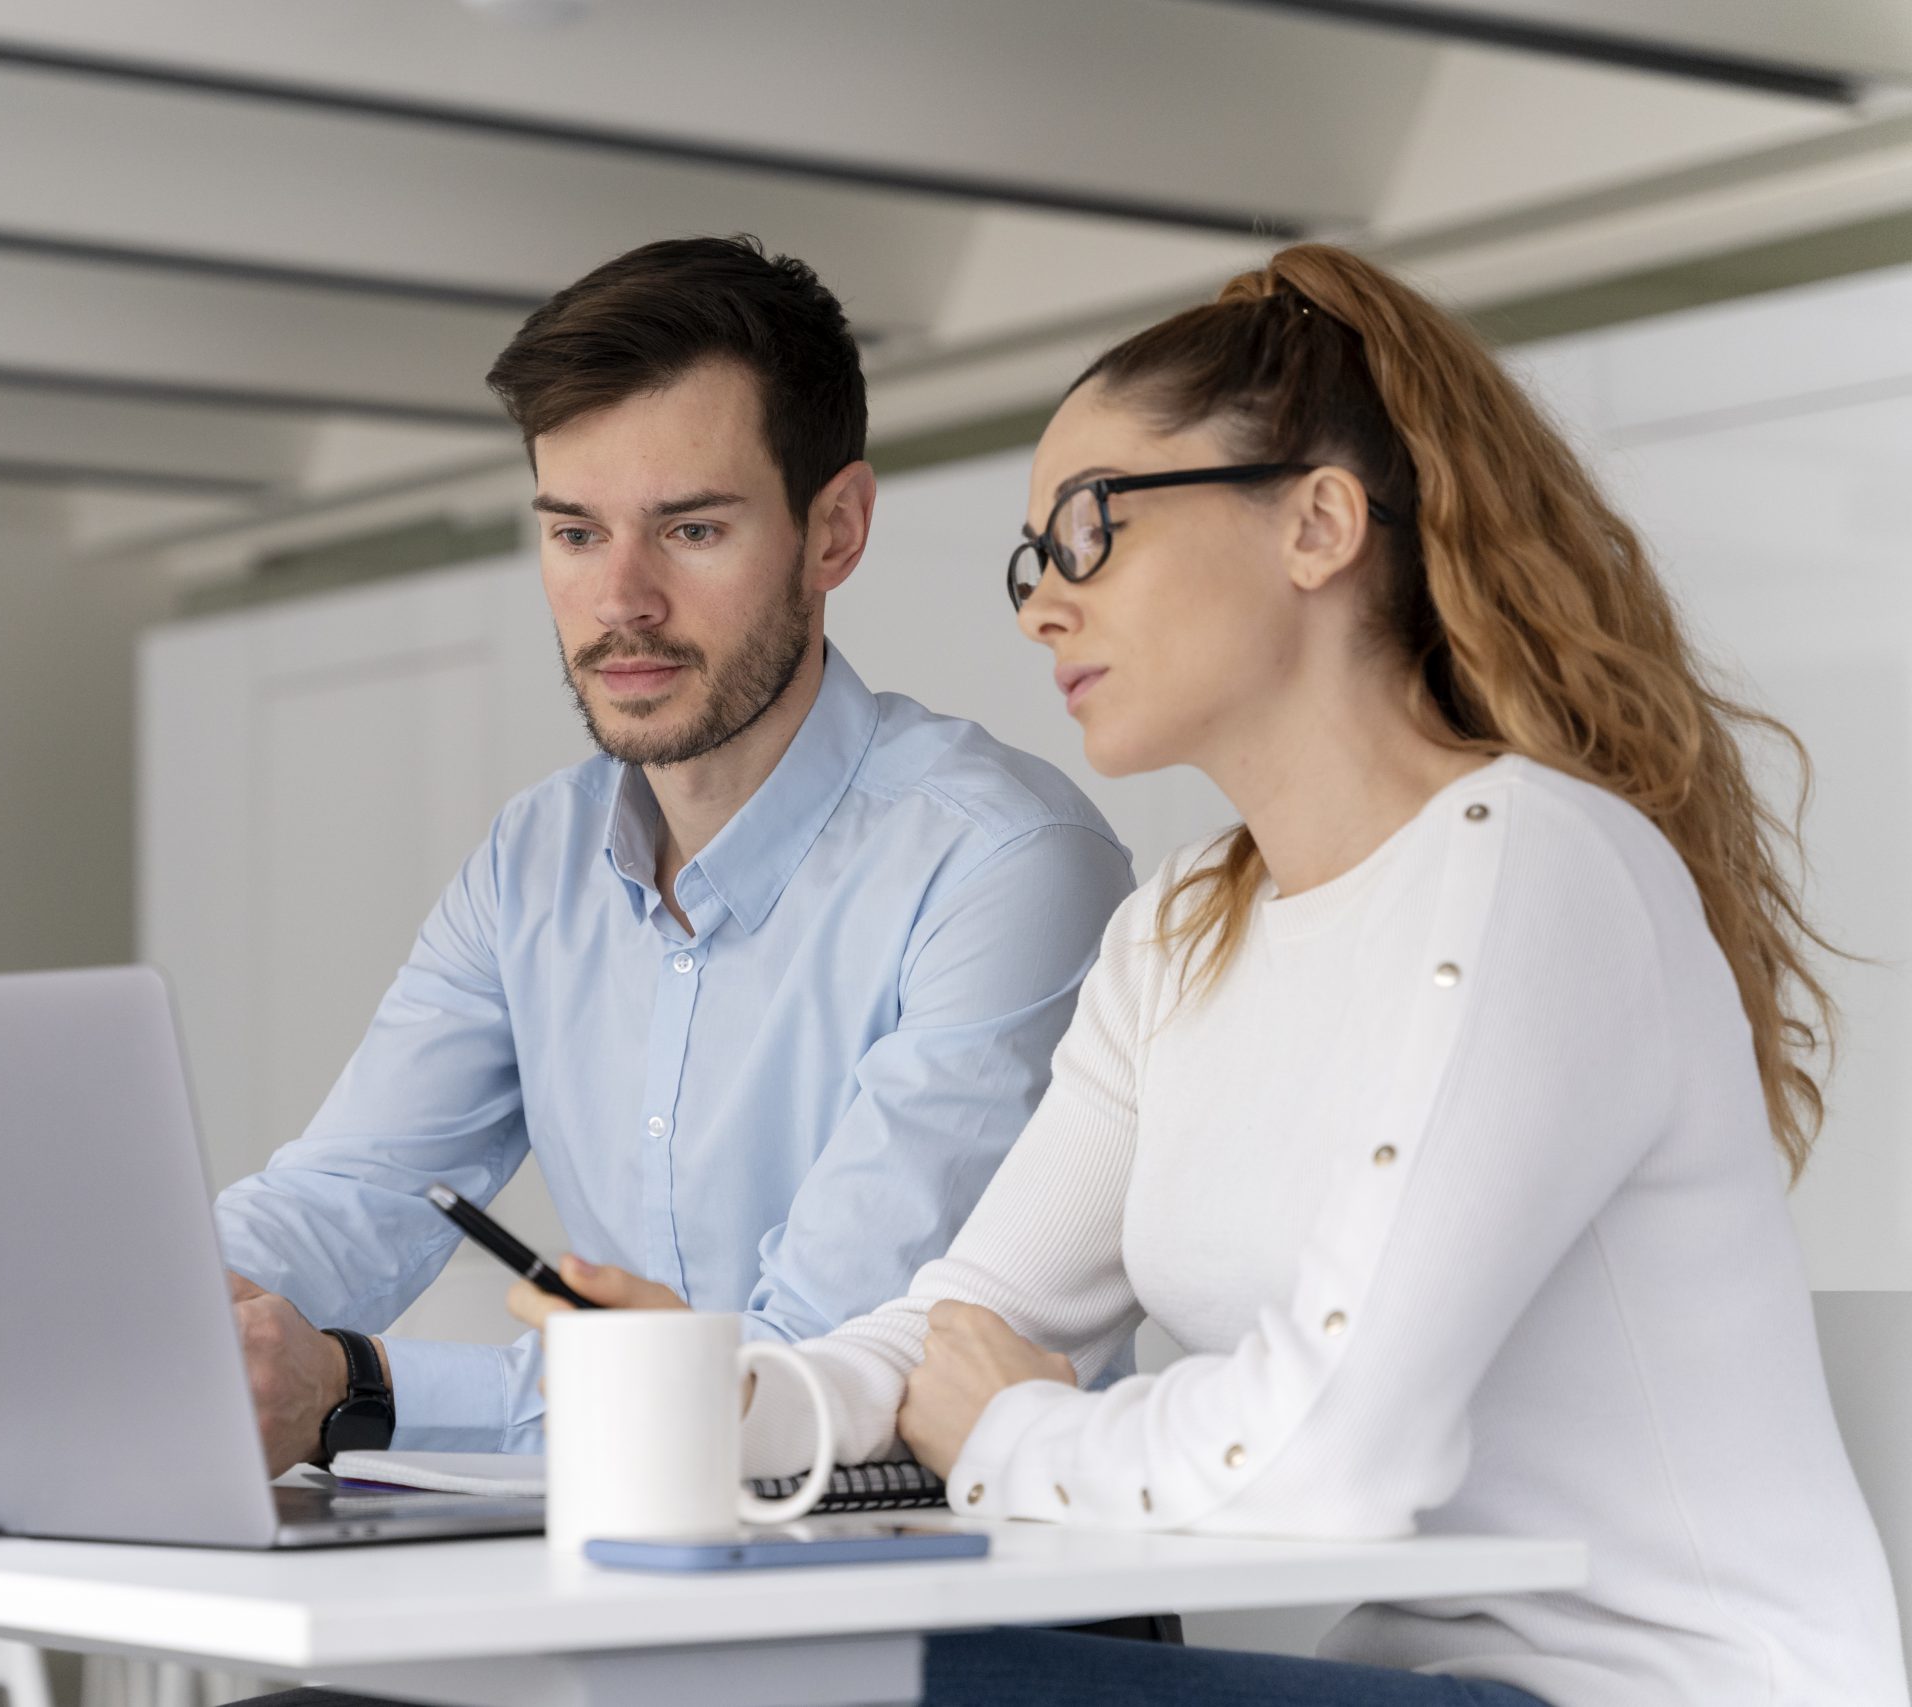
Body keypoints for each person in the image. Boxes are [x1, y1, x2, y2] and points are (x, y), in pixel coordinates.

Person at [703, 242, 1909, 1705]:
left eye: (1089, 529)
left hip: (1660, 1690)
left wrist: (1021, 1435)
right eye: (1033, 560)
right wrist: (711, 1403)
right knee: (758, 1658)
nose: (1043, 605)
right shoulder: (1179, 933)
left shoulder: (1540, 865)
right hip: (1414, 1679)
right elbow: (962, 1323)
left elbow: (1340, 1451)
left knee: (824, 1678)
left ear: (1320, 523)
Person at [210, 235, 1135, 1474]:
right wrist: (144, 1310)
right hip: (654, 1585)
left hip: (951, 1612)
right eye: (576, 534)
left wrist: (358, 1390)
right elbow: (351, 1194)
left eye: (689, 531)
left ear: (835, 532)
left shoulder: (1004, 865)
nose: (621, 601)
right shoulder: (530, 863)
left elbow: (807, 1362)